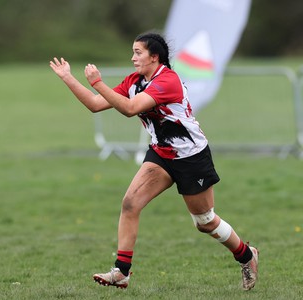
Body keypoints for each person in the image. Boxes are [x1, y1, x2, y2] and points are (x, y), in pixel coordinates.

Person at [49, 32, 258, 291]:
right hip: (161, 154)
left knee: (204, 221)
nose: (133, 57)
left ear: (154, 57)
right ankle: (122, 272)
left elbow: (129, 109)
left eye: (138, 52)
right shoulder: (134, 81)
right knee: (130, 203)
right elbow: (95, 104)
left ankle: (246, 255)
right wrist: (68, 77)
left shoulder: (167, 81)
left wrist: (98, 83)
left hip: (191, 157)